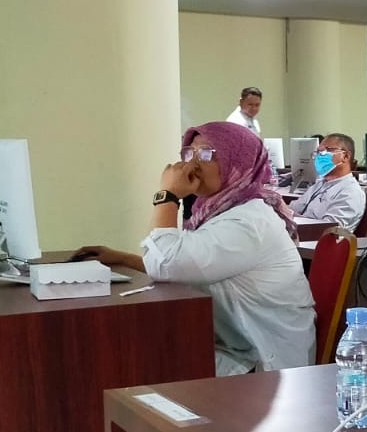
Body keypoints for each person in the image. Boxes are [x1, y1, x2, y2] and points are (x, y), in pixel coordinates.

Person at [76, 121, 315, 376]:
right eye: (189, 152)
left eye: (207, 153)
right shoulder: (218, 211)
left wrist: (167, 195)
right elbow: (183, 262)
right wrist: (121, 258)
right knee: (142, 354)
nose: (192, 164)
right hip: (236, 345)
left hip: (266, 360)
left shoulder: (248, 221)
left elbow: (169, 263)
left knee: (139, 363)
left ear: (237, 161)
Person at [291, 132, 365, 229]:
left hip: (316, 241)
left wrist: (288, 215)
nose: (319, 156)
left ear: (345, 156)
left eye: (327, 150)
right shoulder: (321, 184)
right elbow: (294, 208)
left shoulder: (350, 192)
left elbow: (328, 230)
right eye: (318, 152)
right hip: (299, 235)